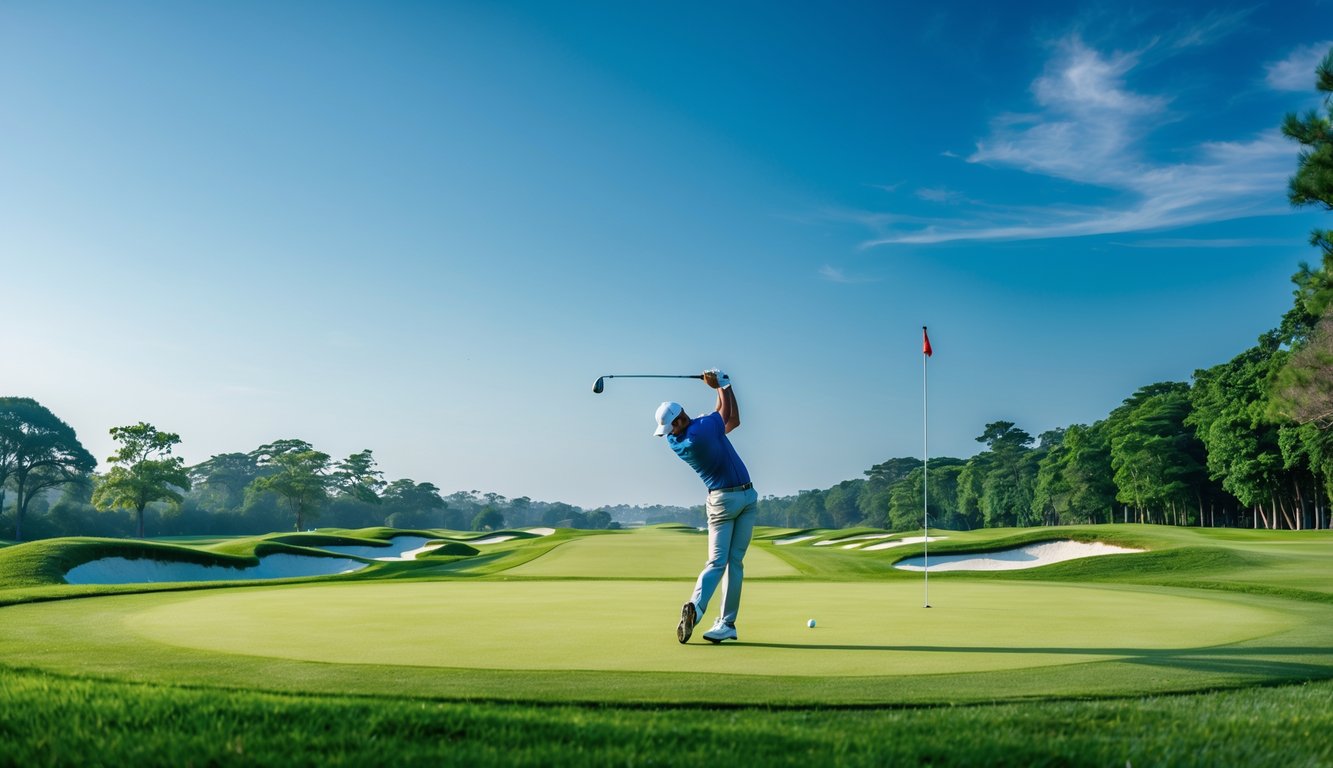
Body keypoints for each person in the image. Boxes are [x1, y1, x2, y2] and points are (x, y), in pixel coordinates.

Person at [654, 369, 758, 644]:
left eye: (671, 426)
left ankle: (712, 618)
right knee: (724, 562)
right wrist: (719, 385)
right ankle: (710, 615)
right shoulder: (696, 434)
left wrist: (724, 386)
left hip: (742, 499)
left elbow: (731, 420)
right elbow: (725, 414)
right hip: (728, 501)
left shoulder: (687, 435)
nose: (669, 433)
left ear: (679, 420)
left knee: (728, 562)